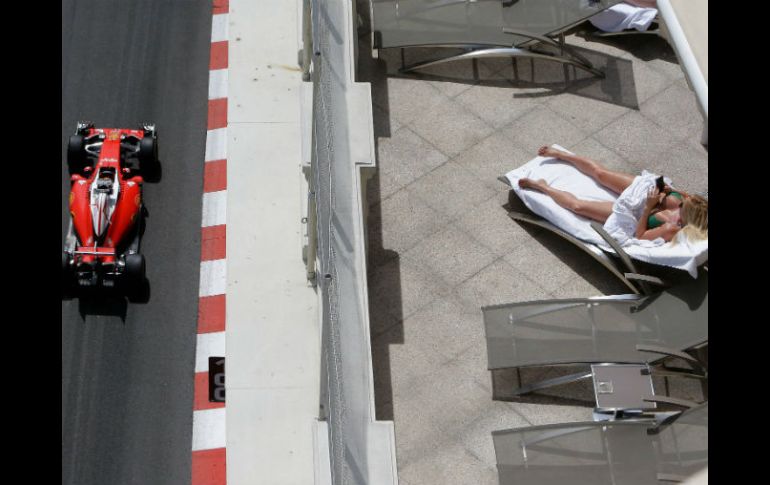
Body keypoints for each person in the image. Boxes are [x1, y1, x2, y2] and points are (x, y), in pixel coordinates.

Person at [518, 146, 708, 243]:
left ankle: (542, 187)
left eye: (684, 206)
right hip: (641, 194)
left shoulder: (671, 228)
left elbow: (640, 236)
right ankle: (562, 155)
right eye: (685, 201)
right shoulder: (685, 200)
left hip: (632, 216)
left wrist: (649, 207)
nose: (683, 202)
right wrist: (662, 190)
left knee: (578, 206)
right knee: (601, 174)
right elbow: (664, 185)